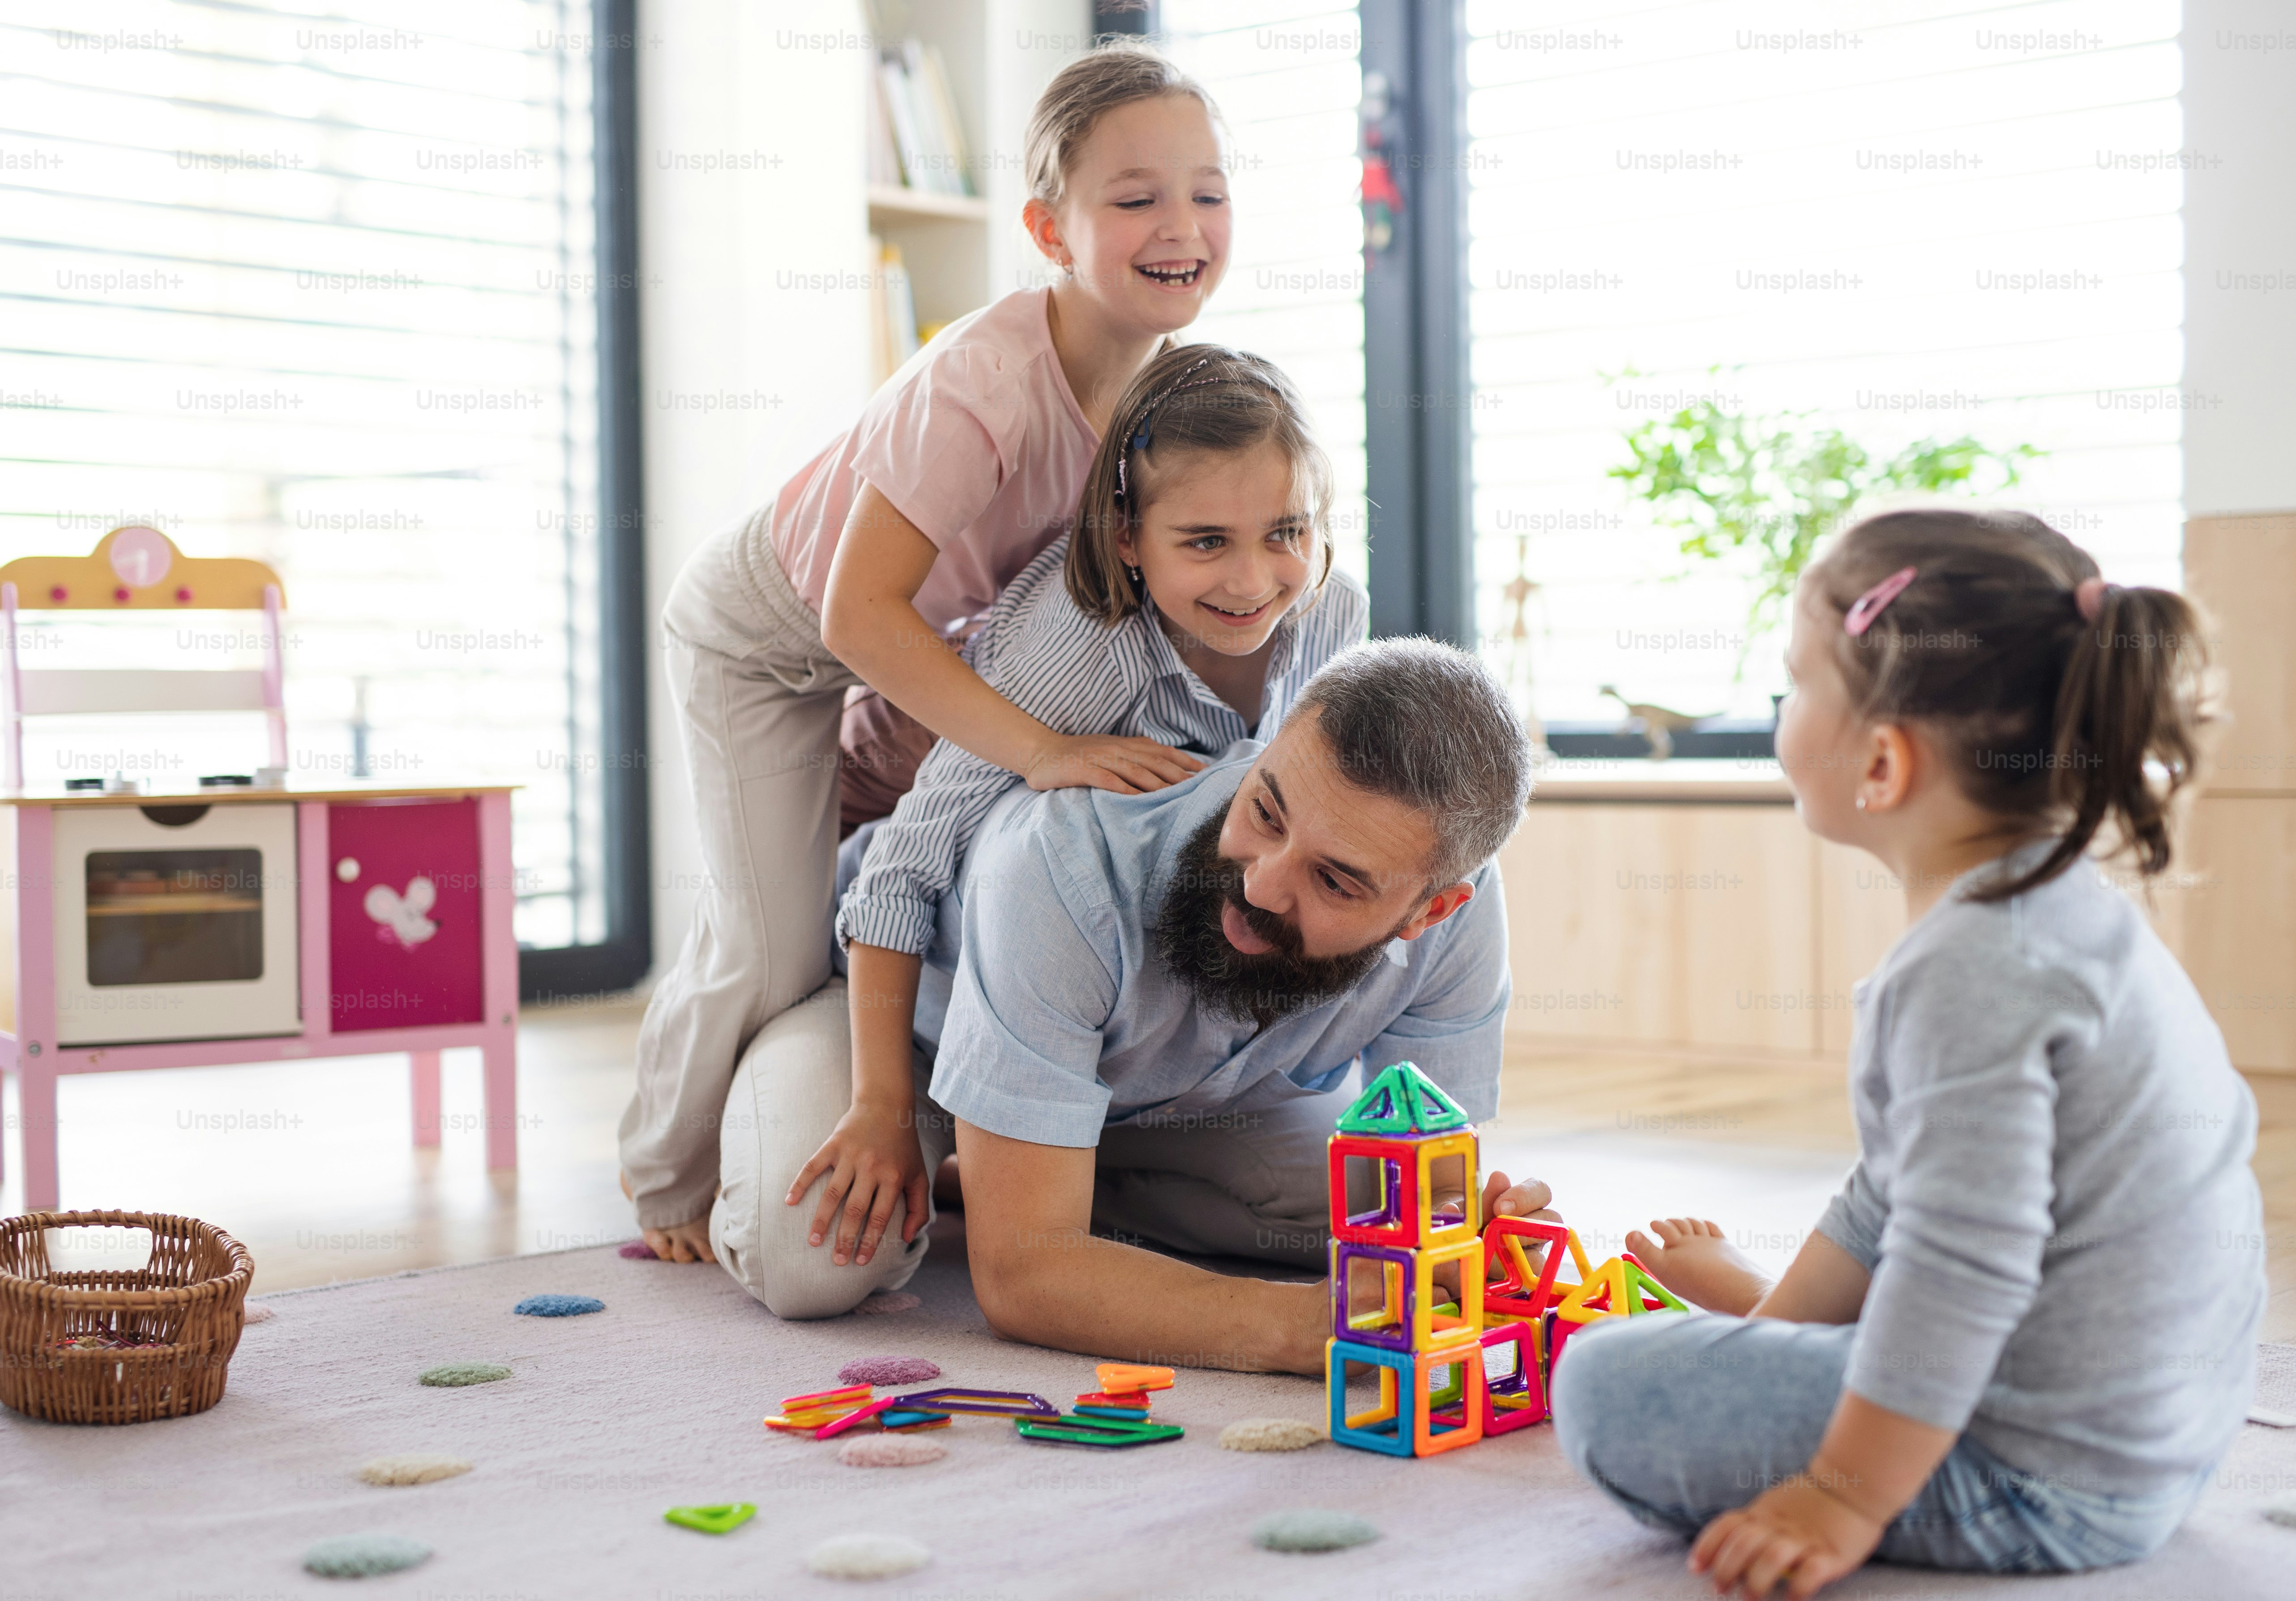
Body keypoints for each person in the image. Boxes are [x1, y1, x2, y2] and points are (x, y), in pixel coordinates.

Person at [1553, 509, 2266, 1596]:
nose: (1782, 711)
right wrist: (1775, 1330)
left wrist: (1845, 1492)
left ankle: (1885, 1448)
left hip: (2045, 1477)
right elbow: (1901, 1188)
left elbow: (1963, 1260)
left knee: (1605, 1384)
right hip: (2156, 1435)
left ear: (1882, 762)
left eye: (1796, 684)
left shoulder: (1972, 967)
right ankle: (1791, 1335)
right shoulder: (2062, 916)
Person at [620, 47, 1234, 1260]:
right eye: (1135, 199)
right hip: (770, 637)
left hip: (913, 646)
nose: (1182, 227)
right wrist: (1047, 750)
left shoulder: (1167, 392)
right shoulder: (988, 379)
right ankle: (664, 1180)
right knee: (767, 942)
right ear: (1049, 230)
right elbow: (855, 618)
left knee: (918, 881)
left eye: (1207, 193)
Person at [713, 638, 1548, 1363]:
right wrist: (1306, 1326)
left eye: (1333, 881)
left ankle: (1028, 1168)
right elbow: (1022, 1282)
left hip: (1167, 1104)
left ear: (1429, 909)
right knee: (809, 1259)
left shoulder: (1459, 917)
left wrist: (1458, 1230)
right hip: (904, 1034)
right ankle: (1021, 1166)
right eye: (1265, 809)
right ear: (1268, 749)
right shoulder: (1063, 863)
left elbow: (1424, 1187)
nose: (1258, 883)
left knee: (1369, 1216)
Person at [791, 344, 1369, 1270]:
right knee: (815, 1262)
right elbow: (904, 868)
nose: (1255, 580)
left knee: (1340, 1217)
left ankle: (1041, 1169)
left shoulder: (1334, 615)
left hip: (1114, 1034)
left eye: (1286, 532)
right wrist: (881, 1108)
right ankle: (964, 1146)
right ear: (1129, 537)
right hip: (921, 995)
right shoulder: (1084, 647)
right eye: (1206, 542)